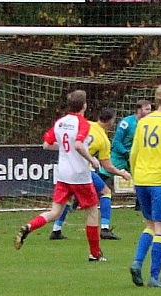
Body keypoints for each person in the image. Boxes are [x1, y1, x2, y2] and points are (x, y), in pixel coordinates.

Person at [13, 90, 107, 261]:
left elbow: (46, 145)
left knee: (55, 212)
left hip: (63, 175)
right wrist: (92, 160)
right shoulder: (83, 123)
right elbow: (78, 145)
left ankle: (29, 226)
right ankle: (95, 254)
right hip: (79, 176)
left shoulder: (60, 122)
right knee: (93, 212)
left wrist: (64, 147)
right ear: (84, 105)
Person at [128, 84, 161, 288]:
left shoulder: (143, 121)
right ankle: (154, 277)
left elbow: (133, 152)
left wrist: (134, 178)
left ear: (157, 99)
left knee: (149, 224)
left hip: (142, 179)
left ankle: (137, 262)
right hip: (159, 181)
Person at [48, 108, 131, 240]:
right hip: (82, 170)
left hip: (67, 167)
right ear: (111, 121)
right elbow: (107, 166)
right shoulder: (103, 140)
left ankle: (56, 230)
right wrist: (121, 173)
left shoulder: (86, 124)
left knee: (67, 198)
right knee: (105, 192)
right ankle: (104, 228)